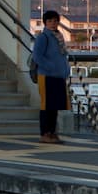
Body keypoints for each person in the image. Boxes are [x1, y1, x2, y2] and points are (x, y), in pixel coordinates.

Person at [31, 9, 70, 143]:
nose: (53, 23)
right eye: (50, 21)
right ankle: (45, 133)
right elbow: (37, 56)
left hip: (59, 76)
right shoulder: (43, 37)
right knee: (46, 106)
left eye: (55, 21)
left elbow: (63, 56)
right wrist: (50, 67)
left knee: (55, 106)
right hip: (46, 76)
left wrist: (65, 70)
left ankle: (52, 132)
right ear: (45, 23)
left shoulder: (59, 37)